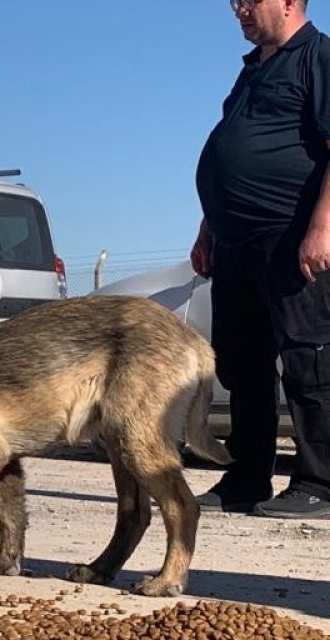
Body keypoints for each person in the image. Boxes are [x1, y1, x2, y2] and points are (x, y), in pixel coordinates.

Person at [193, 0, 330, 518]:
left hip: (291, 239)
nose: (239, 11)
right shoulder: (252, 70)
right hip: (235, 244)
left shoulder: (318, 57)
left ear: (291, 2)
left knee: (309, 360)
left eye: (249, 1)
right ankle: (246, 479)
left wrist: (322, 228)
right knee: (242, 361)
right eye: (234, 3)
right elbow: (230, 151)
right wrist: (208, 227)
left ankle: (319, 484)